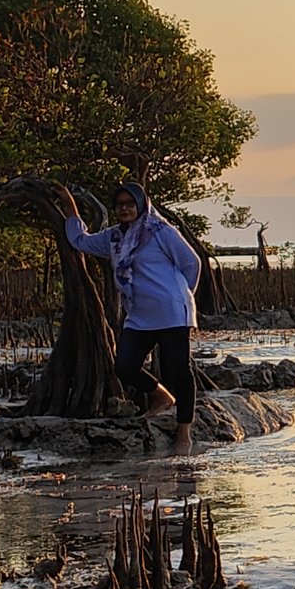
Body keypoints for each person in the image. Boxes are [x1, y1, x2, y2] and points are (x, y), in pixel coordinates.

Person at [59, 179, 203, 453]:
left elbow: (191, 262)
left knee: (179, 370)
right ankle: (161, 396)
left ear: (141, 205)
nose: (125, 209)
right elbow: (80, 242)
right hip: (139, 315)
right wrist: (69, 205)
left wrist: (180, 294)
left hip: (172, 311)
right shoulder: (113, 237)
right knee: (124, 365)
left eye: (130, 204)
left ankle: (184, 431)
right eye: (120, 205)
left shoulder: (160, 231)